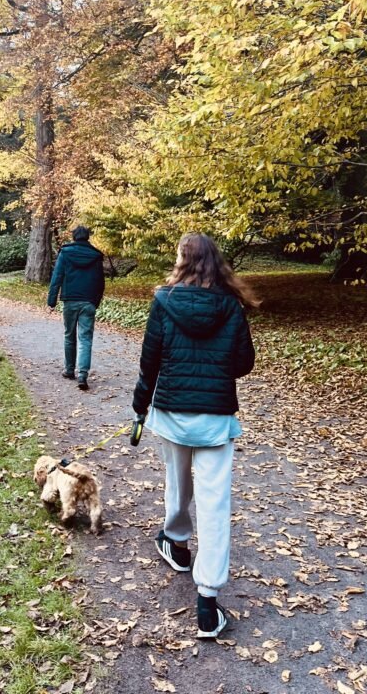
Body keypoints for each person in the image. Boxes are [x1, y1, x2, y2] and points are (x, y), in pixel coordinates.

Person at [132, 232, 256, 639]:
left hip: (171, 413)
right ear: (215, 262)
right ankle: (207, 601)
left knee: (177, 482)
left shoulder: (164, 301)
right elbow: (243, 363)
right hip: (216, 417)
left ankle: (177, 544)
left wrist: (140, 405)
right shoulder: (231, 306)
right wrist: (214, 366)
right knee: (215, 503)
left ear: (182, 260)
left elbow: (150, 359)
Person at [47, 225, 106, 391]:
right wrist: (96, 301)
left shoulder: (65, 253)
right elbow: (100, 282)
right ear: (87, 237)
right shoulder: (96, 256)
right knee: (85, 338)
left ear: (74, 237)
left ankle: (69, 369)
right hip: (88, 302)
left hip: (70, 300)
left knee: (69, 335)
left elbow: (57, 277)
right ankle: (83, 374)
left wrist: (52, 301)